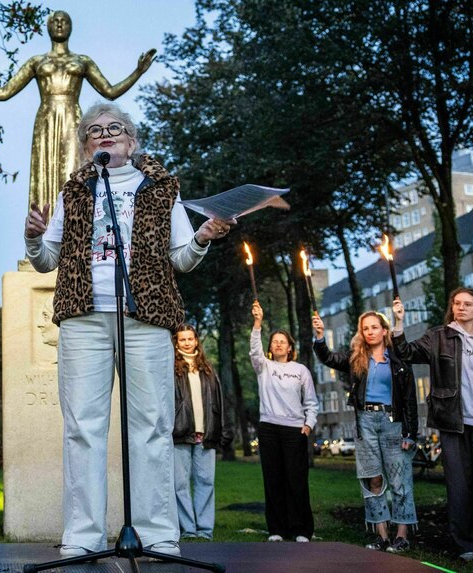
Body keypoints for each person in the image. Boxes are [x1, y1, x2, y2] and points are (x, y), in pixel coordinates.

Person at [23, 101, 233, 557]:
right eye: (94, 130)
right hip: (83, 318)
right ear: (85, 147)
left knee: (152, 426)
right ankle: (83, 537)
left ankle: (157, 535)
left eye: (114, 128)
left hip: (145, 318)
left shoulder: (161, 189)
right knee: (82, 428)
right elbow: (46, 260)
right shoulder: (73, 191)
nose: (104, 134)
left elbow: (182, 257)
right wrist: (33, 237)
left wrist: (201, 238)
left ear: (132, 141)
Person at [0, 10, 155, 212]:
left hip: (71, 118)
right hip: (46, 118)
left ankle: (75, 213)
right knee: (45, 169)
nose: (59, 24)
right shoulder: (37, 62)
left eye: (64, 21)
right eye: (55, 21)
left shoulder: (82, 61)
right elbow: (6, 91)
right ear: (48, 27)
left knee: (74, 166)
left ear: (71, 27)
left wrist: (137, 72)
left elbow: (109, 91)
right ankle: (44, 222)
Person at [392, 288, 473, 563]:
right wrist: (399, 323)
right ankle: (466, 544)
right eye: (457, 303)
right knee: (459, 485)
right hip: (453, 421)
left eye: (467, 304)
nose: (461, 307)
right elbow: (406, 352)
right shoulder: (438, 336)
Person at [312, 311, 417, 552]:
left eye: (374, 327)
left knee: (400, 481)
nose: (370, 332)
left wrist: (411, 434)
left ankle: (402, 535)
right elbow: (328, 358)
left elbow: (410, 399)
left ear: (384, 330)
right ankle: (382, 535)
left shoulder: (399, 359)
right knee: (373, 479)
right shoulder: (356, 358)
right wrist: (320, 336)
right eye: (365, 328)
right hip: (365, 422)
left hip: (393, 422)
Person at [249, 301, 318, 543]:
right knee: (273, 479)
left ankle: (300, 530)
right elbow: (254, 351)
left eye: (282, 341)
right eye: (274, 341)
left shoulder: (300, 370)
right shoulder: (263, 367)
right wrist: (257, 323)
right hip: (269, 428)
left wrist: (308, 425)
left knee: (296, 480)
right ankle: (276, 529)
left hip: (294, 430)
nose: (278, 344)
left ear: (290, 347)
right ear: (270, 347)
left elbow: (311, 401)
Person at [171, 324, 233, 540]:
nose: (187, 343)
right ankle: (188, 529)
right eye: (182, 339)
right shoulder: (171, 367)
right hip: (180, 433)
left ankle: (205, 530)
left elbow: (219, 400)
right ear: (176, 343)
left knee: (205, 482)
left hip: (205, 434)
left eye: (190, 338)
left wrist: (223, 429)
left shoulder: (207, 368)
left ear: (196, 340)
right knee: (180, 484)